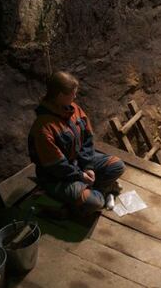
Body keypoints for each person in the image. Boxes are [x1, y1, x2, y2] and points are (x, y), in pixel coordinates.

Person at [28, 71, 125, 216]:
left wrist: (88, 166)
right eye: (72, 93)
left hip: (78, 163)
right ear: (61, 95)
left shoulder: (73, 109)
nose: (75, 96)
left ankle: (94, 191)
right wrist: (80, 175)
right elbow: (57, 165)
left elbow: (87, 138)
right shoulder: (44, 127)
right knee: (95, 203)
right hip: (57, 176)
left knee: (117, 165)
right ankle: (79, 203)